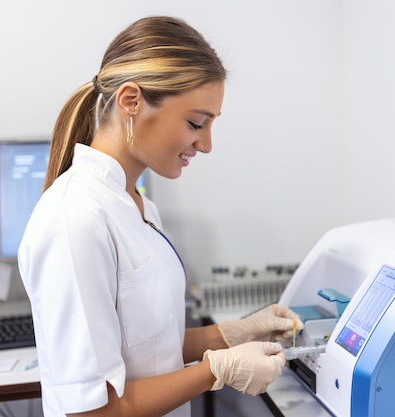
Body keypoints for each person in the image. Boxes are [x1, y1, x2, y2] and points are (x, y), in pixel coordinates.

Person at [18, 15, 303, 417]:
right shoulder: (75, 218)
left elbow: (147, 346)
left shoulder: (137, 205)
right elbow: (93, 411)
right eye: (196, 123)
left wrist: (232, 333)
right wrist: (215, 371)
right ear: (131, 101)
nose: (205, 144)